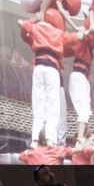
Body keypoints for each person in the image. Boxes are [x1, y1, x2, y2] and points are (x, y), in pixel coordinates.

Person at [19, 11, 70, 149]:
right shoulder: (57, 33)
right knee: (52, 108)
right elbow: (73, 39)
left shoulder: (38, 30)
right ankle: (49, 140)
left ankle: (35, 140)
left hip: (39, 68)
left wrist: (34, 20)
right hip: (52, 70)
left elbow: (21, 24)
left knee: (39, 105)